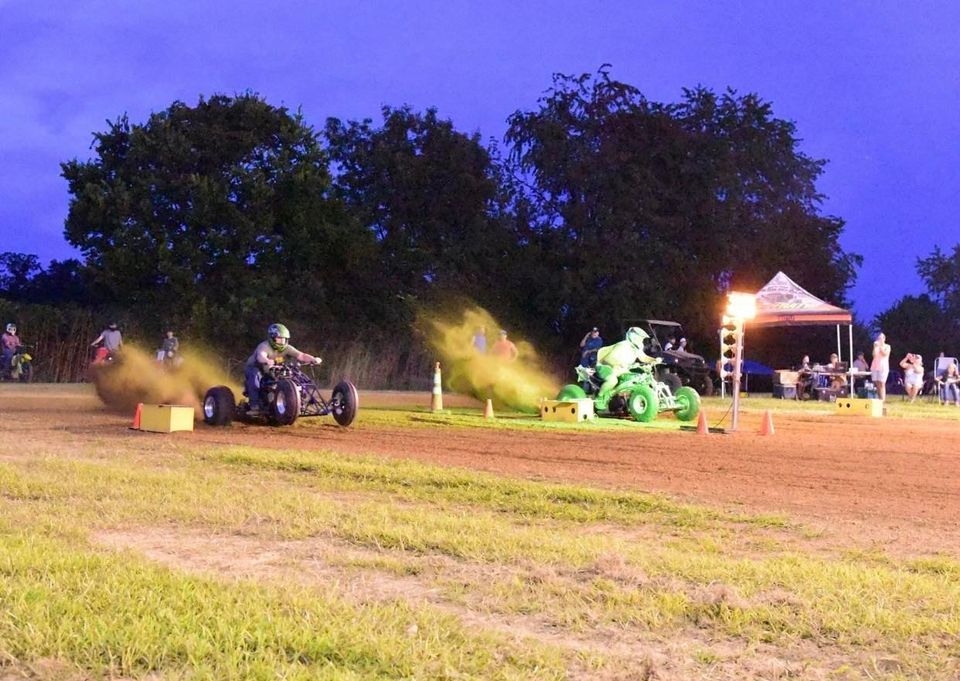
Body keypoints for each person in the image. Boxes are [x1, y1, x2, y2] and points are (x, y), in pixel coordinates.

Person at [244, 323, 322, 416]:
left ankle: (298, 401)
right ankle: (254, 406)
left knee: (297, 375)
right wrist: (267, 360)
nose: (282, 342)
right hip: (256, 367)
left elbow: (301, 355)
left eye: (284, 339)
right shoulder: (264, 346)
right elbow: (261, 356)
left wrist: (313, 359)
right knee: (255, 377)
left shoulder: (287, 348)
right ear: (272, 338)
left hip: (272, 368)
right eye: (279, 339)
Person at [595, 327, 660, 400]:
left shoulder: (636, 348)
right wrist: (619, 364)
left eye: (642, 339)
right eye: (640, 338)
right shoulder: (623, 345)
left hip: (620, 369)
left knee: (634, 378)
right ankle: (599, 397)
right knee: (613, 380)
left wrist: (654, 360)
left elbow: (643, 358)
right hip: (605, 367)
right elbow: (608, 359)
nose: (641, 341)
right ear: (633, 336)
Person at [871, 332, 891, 401]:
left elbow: (885, 354)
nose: (879, 339)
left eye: (881, 338)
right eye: (878, 338)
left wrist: (880, 347)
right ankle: (879, 399)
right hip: (875, 366)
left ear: (884, 339)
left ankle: (883, 400)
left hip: (883, 367)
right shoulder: (876, 346)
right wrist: (875, 347)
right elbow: (874, 355)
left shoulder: (887, 346)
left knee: (882, 383)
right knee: (877, 383)